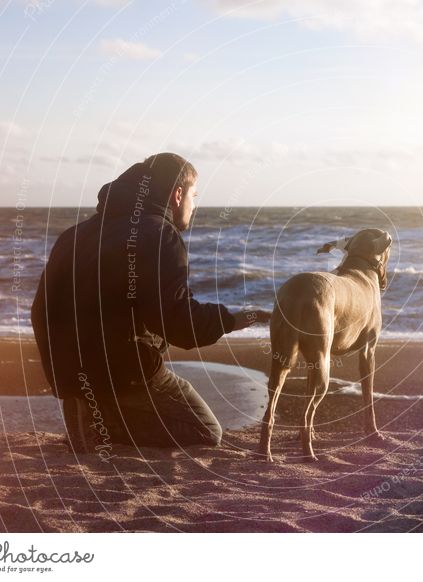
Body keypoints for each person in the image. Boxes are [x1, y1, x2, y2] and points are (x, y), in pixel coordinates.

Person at [31, 152, 268, 454]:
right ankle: (108, 427)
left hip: (71, 379)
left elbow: (41, 310)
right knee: (205, 431)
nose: (194, 206)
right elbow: (177, 322)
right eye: (194, 196)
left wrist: (64, 379)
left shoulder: (74, 235)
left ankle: (93, 413)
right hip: (126, 375)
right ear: (177, 195)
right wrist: (234, 319)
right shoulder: (159, 233)